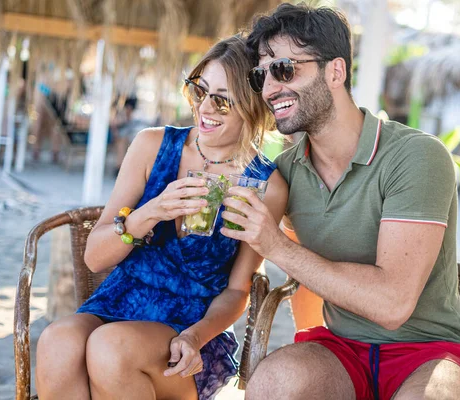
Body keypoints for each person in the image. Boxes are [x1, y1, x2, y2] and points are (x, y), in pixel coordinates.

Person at [220, 4, 460, 400]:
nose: (270, 88)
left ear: (335, 72)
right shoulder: (285, 173)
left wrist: (274, 244)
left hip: (428, 352)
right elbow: (297, 275)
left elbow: (393, 304)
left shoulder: (416, 156)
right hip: (342, 349)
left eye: (285, 69)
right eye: (262, 74)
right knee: (275, 381)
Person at [35, 34, 287, 400]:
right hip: (120, 300)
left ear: (251, 107)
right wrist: (150, 212)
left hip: (191, 329)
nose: (205, 109)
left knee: (110, 348)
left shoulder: (265, 185)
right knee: (58, 341)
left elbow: (237, 290)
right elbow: (94, 257)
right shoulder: (152, 146)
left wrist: (195, 336)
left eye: (221, 101)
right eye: (199, 92)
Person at [111, 95, 148, 177]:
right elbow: (114, 125)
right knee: (121, 143)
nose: (128, 110)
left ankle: (122, 168)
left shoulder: (138, 117)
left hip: (134, 140)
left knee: (124, 143)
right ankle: (120, 167)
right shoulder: (121, 114)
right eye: (127, 108)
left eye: (129, 108)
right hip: (122, 139)